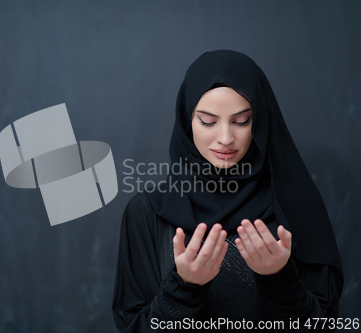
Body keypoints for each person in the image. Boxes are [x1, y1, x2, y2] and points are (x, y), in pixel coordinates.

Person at [112, 50, 344, 332]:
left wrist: (280, 279)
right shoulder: (147, 213)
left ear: (259, 121)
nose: (225, 138)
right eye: (208, 121)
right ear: (187, 122)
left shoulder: (296, 206)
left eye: (241, 121)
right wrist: (184, 288)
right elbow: (131, 326)